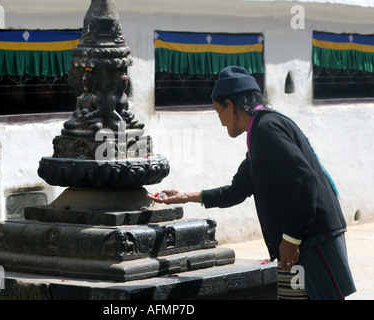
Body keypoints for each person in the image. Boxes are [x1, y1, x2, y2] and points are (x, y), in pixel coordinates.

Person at [147, 66, 356, 300]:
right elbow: (236, 191)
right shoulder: (258, 135)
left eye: (219, 112)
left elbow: (306, 181)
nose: (221, 122)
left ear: (231, 107)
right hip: (299, 241)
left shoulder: (268, 129)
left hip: (311, 239)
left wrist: (291, 238)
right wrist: (186, 196)